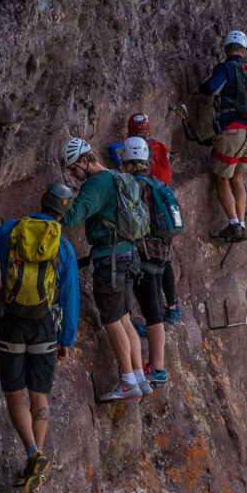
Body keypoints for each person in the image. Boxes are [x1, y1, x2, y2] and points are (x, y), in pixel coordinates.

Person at [0, 183, 79, 492]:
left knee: (14, 395)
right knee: (39, 395)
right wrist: (67, 337)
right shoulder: (63, 245)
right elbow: (69, 294)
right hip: (45, 325)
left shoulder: (11, 230)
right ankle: (36, 458)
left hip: (12, 322)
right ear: (63, 213)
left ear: (41, 201)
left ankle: (33, 455)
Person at [60, 136, 152, 402]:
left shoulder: (97, 183)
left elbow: (73, 216)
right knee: (124, 317)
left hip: (110, 258)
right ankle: (138, 378)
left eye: (73, 169)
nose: (73, 175)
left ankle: (127, 380)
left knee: (112, 318)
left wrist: (57, 201)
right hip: (128, 254)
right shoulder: (116, 176)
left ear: (85, 161)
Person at [115, 136, 179, 386]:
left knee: (152, 312)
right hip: (162, 254)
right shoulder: (156, 182)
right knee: (154, 310)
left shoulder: (134, 185)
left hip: (145, 256)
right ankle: (156, 366)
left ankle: (157, 367)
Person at [202, 30, 247, 241]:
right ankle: (243, 224)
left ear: (227, 49)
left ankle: (234, 223)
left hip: (233, 132)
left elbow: (211, 88)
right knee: (238, 178)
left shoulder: (225, 68)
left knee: (221, 178)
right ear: (244, 50)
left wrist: (200, 85)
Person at [107, 112, 172, 183]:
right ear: (149, 131)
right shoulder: (162, 147)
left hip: (138, 186)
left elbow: (113, 148)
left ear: (130, 132)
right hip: (160, 188)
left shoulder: (127, 148)